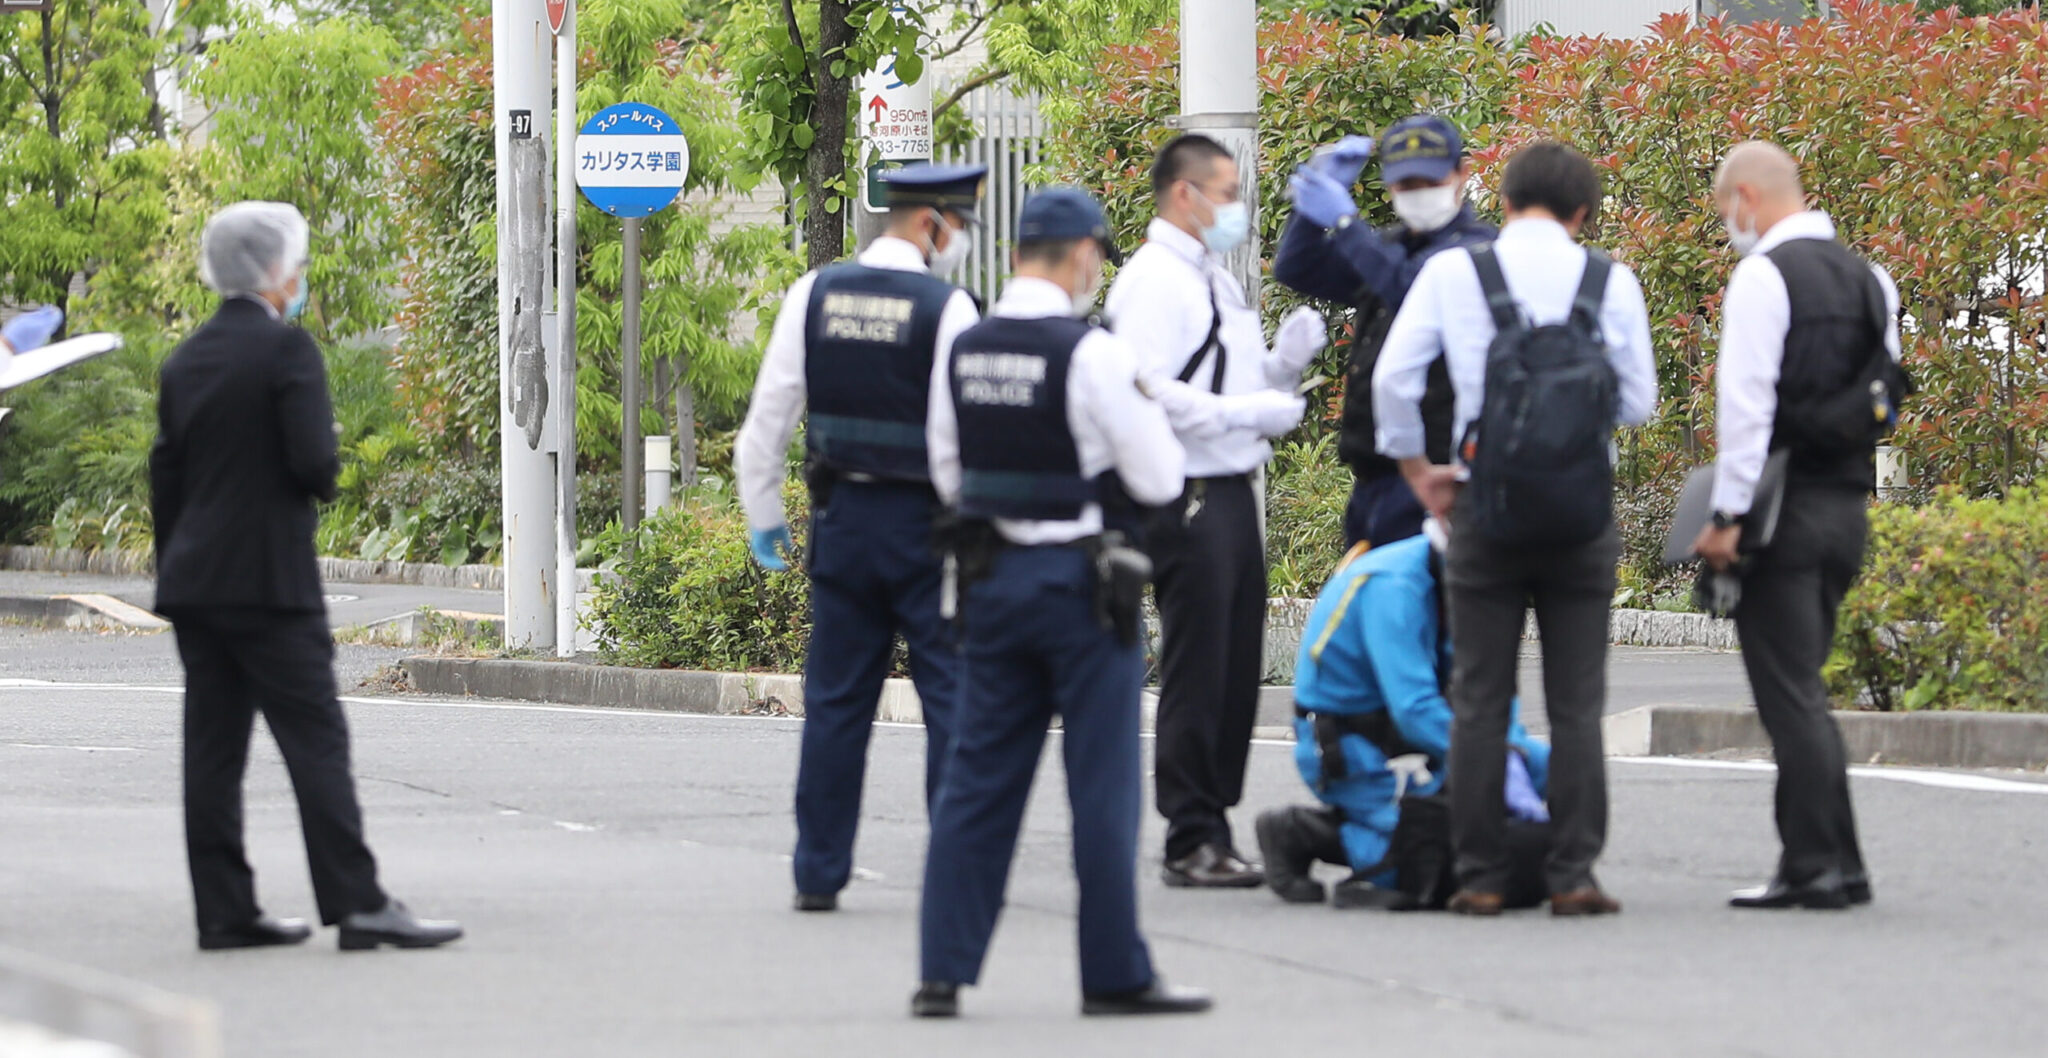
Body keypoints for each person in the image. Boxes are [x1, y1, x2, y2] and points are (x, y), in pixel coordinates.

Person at [915, 187, 1209, 1018]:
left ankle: (942, 969)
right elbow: (1160, 478)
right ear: (1085, 256)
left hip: (992, 586)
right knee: (1102, 786)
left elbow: (946, 470)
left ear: (1015, 256)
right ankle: (1113, 972)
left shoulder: (964, 348)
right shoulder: (1093, 355)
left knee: (977, 779)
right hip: (1082, 591)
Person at [152, 202, 460, 952]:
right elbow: (316, 468)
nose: (300, 277)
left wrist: (178, 566)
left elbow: (166, 475)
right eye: (295, 263)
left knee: (213, 749)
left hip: (196, 583)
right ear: (274, 271)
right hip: (269, 583)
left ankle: (224, 910)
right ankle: (357, 903)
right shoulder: (288, 352)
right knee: (315, 740)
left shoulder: (184, 358)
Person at [1373, 141, 1657, 917]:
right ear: (1581, 215)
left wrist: (1419, 474)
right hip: (1580, 516)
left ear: (1501, 204)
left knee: (1478, 695)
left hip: (1481, 510)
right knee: (1576, 701)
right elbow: (1637, 403)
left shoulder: (1456, 273)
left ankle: (1483, 875)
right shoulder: (1611, 280)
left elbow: (1392, 381)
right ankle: (1572, 874)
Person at [734, 162, 986, 912]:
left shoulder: (815, 293)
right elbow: (954, 444)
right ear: (933, 224)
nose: (961, 242)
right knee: (950, 699)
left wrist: (766, 522)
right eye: (960, 227)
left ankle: (818, 872)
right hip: (925, 535)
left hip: (842, 528)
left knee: (837, 702)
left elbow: (766, 424)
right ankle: (957, 864)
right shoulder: (949, 310)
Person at [1103, 133, 1320, 889]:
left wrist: (1282, 369)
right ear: (1185, 194)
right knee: (1200, 664)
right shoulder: (1152, 282)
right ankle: (1189, 834)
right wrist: (1248, 412)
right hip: (1187, 489)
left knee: (1233, 663)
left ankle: (1213, 825)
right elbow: (1148, 390)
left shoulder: (1212, 279)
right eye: (1226, 192)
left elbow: (1230, 375)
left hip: (1228, 487)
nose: (1236, 207)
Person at [1692, 141, 1900, 911]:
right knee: (1802, 688)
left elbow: (1745, 412)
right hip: (1846, 509)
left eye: (1724, 211)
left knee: (1789, 697)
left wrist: (1727, 518)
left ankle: (1814, 865)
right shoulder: (1871, 279)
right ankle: (1837, 862)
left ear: (1747, 196)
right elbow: (1882, 399)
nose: (1728, 226)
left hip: (1780, 512)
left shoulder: (1764, 277)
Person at [1256, 528, 1553, 910]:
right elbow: (1412, 708)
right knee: (1411, 867)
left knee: (1541, 765)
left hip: (1415, 727)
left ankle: (1455, 827)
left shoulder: (1468, 581)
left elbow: (1490, 688)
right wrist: (1489, 755)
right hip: (1345, 740)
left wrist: (1510, 750)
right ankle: (1298, 832)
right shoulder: (1393, 587)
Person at [1274, 115, 1496, 549]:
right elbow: (1297, 268)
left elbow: (1409, 287)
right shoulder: (1389, 248)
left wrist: (1344, 222)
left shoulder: (1477, 251)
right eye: (1405, 185)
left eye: (1428, 181)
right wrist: (1309, 210)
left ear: (1461, 175)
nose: (1417, 195)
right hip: (1374, 475)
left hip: (1437, 475)